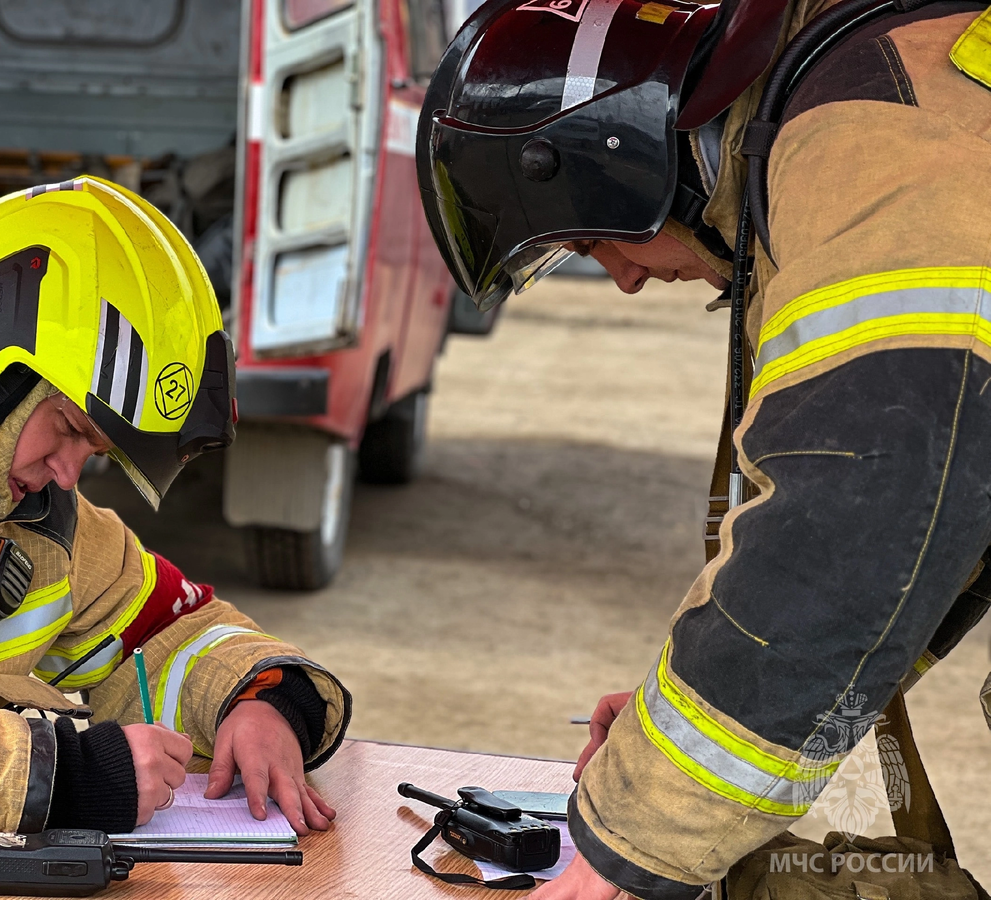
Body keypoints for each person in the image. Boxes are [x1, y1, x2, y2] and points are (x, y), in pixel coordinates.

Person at [418, 0, 991, 897]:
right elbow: (947, 514)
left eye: (590, 240)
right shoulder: (891, 78)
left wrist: (630, 845)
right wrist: (668, 718)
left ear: (624, 166)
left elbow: (865, 516)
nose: (629, 278)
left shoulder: (868, 143)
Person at [0, 177, 350, 885]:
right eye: (68, 429)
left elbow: (164, 634)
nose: (67, 476)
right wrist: (60, 776)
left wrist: (266, 698)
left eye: (94, 453)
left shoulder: (25, 509)